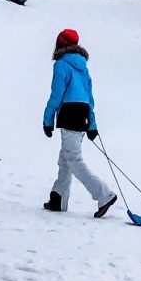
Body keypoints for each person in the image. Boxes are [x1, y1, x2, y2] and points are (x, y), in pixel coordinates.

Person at [41, 26, 117, 218]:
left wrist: (48, 119)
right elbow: (89, 99)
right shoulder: (83, 67)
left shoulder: (61, 64)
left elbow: (57, 94)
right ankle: (58, 198)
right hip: (82, 113)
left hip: (69, 113)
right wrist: (92, 125)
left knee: (73, 159)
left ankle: (104, 195)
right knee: (66, 158)